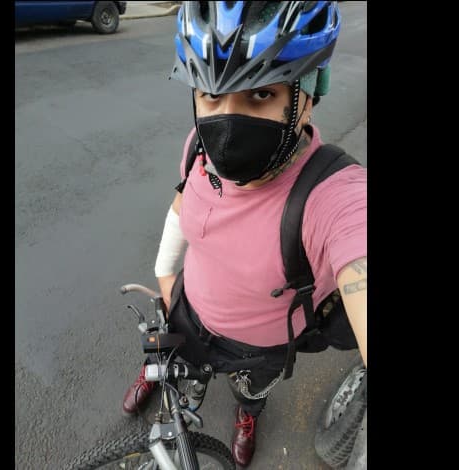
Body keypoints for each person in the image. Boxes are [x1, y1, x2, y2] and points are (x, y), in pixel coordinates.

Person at [121, 2, 366, 466]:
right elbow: (182, 207)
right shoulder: (198, 150)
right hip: (190, 312)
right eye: (211, 97)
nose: (225, 128)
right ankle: (164, 383)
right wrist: (164, 271)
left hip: (260, 349)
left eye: (259, 96)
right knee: (178, 369)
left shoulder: (332, 196)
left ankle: (247, 415)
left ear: (306, 97)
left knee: (251, 391)